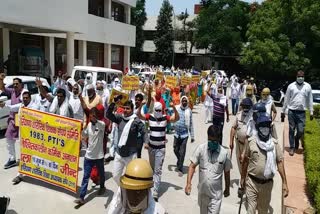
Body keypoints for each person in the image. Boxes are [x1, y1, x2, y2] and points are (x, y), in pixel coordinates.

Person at [240, 114, 289, 214]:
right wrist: (242, 178)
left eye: (267, 125)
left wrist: (284, 182)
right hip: (252, 182)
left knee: (263, 211)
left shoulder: (274, 145)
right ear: (257, 127)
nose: (265, 128)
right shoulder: (251, 142)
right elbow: (245, 161)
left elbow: (280, 163)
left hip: (267, 184)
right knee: (251, 210)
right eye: (262, 125)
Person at [137, 101, 179, 201]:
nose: (158, 112)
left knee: (158, 170)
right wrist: (141, 105)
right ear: (154, 110)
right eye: (157, 110)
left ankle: (155, 192)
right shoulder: (150, 116)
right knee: (152, 169)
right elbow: (139, 115)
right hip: (151, 148)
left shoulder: (165, 117)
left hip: (161, 148)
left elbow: (176, 118)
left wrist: (174, 108)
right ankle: (151, 185)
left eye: (160, 110)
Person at [185, 125, 232, 214]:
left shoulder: (224, 153)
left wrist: (227, 188)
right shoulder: (201, 149)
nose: (212, 142)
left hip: (215, 196)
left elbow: (227, 172)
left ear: (218, 139)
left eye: (214, 141)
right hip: (203, 193)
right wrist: (188, 183)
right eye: (210, 140)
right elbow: (192, 166)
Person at [107, 99, 147, 185]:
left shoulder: (136, 121)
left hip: (131, 155)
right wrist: (113, 103)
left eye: (128, 108)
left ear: (132, 110)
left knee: (131, 178)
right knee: (115, 176)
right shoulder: (119, 118)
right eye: (124, 108)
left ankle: (126, 193)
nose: (125, 110)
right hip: (119, 153)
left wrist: (146, 142)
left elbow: (144, 131)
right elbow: (108, 115)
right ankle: (122, 189)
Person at [74, 107, 106, 205]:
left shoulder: (101, 124)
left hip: (99, 156)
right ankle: (82, 197)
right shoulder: (88, 125)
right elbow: (84, 135)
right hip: (88, 156)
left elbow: (100, 123)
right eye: (91, 115)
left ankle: (102, 187)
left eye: (94, 115)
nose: (92, 117)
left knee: (101, 173)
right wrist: (81, 128)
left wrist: (95, 119)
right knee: (85, 177)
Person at [282, 70, 313, 156]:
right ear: (296, 76)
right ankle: (292, 147)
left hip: (301, 112)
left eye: (302, 76)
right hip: (292, 111)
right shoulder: (291, 86)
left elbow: (310, 99)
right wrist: (283, 111)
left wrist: (311, 111)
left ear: (304, 77)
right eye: (299, 76)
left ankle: (296, 138)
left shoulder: (308, 86)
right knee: (291, 129)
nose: (300, 78)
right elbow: (286, 98)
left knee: (300, 130)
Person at [0, 77, 26, 169]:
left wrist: (7, 106)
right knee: (9, 138)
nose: (15, 85)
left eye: (17, 84)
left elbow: (21, 105)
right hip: (13, 119)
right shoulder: (12, 91)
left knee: (24, 141)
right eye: (14, 84)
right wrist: (1, 80)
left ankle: (27, 159)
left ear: (21, 85)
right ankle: (12, 158)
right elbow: (2, 88)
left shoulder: (24, 92)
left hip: (23, 119)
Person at [229, 98, 253, 174]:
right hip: (238, 144)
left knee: (247, 164)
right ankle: (242, 180)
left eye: (247, 106)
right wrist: (231, 141)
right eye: (244, 106)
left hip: (248, 146)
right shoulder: (238, 115)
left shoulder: (253, 116)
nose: (245, 108)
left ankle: (246, 181)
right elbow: (233, 127)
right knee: (240, 163)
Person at [174, 96, 195, 176]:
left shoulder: (189, 111)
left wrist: (192, 136)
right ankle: (180, 160)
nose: (184, 102)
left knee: (182, 152)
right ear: (181, 101)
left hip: (184, 135)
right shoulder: (177, 108)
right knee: (175, 149)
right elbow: (170, 113)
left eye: (186, 101)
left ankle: (180, 168)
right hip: (176, 134)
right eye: (183, 101)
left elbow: (191, 124)